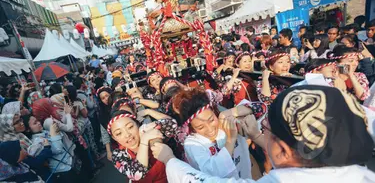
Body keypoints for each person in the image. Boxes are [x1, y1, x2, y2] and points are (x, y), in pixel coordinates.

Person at [151, 85, 375, 183]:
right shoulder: (361, 174)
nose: (209, 128)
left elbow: (259, 107)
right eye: (201, 126)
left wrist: (170, 160)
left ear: (285, 149)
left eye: (266, 131)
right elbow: (212, 171)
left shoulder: (226, 125)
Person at [176, 88, 258, 179]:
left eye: (211, 120)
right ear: (191, 127)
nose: (210, 129)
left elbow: (261, 108)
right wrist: (231, 140)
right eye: (200, 127)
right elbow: (215, 171)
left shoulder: (227, 122)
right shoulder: (192, 143)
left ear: (214, 111)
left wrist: (227, 113)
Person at [108, 109, 177, 183]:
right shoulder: (118, 155)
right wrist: (144, 141)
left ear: (137, 124)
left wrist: (149, 119)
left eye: (130, 127)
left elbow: (173, 124)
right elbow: (137, 173)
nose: (127, 135)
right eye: (119, 133)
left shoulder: (147, 133)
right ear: (114, 138)